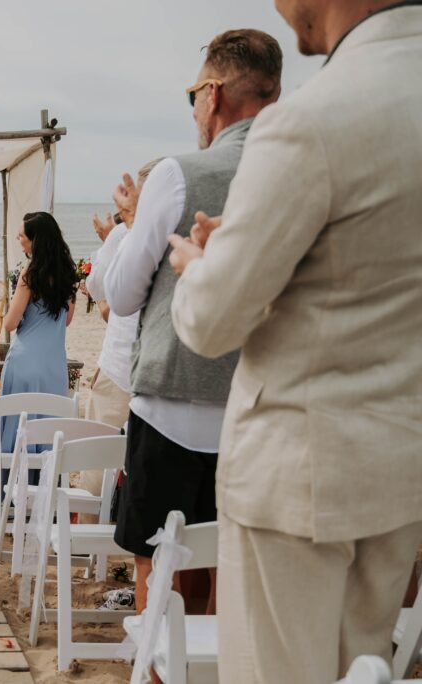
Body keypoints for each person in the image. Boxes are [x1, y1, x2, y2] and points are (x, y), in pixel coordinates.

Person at [167, 3, 422, 681]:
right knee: (363, 669)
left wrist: (199, 268)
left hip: (298, 479)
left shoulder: (311, 119)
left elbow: (213, 323)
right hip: (399, 472)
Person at [102, 29, 282, 614]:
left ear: (213, 93)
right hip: (259, 410)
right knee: (222, 571)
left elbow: (124, 296)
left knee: (158, 567)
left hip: (171, 406)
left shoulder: (178, 174)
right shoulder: (298, 171)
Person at [0, 212, 79, 487]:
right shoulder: (68, 275)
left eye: (22, 236)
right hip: (54, 366)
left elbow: (10, 323)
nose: (19, 240)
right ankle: (44, 495)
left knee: (18, 428)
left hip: (24, 363)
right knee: (49, 429)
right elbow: (66, 320)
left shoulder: (30, 274)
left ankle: (13, 493)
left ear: (35, 241)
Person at [85, 159, 161, 429]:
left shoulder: (125, 233)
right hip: (161, 377)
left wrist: (108, 244)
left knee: (98, 460)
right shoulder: (186, 232)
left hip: (120, 366)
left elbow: (96, 285)